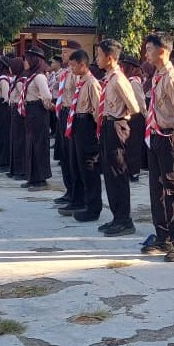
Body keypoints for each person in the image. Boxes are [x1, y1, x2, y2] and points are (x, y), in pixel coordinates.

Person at [140, 33, 174, 262]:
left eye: (149, 49)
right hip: (156, 136)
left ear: (162, 51)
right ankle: (163, 236)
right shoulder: (158, 76)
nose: (146, 54)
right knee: (157, 189)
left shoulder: (172, 79)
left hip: (170, 137)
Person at [96, 39, 141, 237]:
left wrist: (121, 117)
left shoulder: (119, 79)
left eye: (99, 55)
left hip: (117, 125)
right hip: (107, 124)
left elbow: (134, 106)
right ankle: (117, 217)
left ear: (110, 58)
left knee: (118, 173)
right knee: (109, 173)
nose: (97, 58)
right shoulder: (108, 78)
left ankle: (125, 220)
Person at [58, 49, 102, 222]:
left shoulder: (91, 83)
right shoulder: (81, 82)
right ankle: (78, 200)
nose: (71, 69)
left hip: (87, 125)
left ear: (83, 65)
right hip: (76, 122)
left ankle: (93, 207)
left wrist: (98, 133)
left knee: (89, 167)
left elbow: (98, 110)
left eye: (74, 65)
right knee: (76, 165)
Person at [53, 41, 82, 206]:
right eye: (62, 51)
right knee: (64, 155)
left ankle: (76, 193)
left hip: (73, 115)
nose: (62, 54)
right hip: (63, 114)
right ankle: (69, 190)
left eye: (66, 51)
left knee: (72, 157)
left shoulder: (77, 74)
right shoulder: (64, 73)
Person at [20, 48, 52, 189]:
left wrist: (45, 105)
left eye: (27, 60)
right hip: (31, 110)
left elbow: (47, 96)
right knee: (31, 144)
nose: (24, 62)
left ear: (34, 61)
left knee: (39, 144)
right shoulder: (31, 76)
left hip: (38, 111)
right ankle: (32, 177)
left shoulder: (39, 77)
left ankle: (40, 179)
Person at [120, 55, 147, 182]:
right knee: (131, 144)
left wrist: (146, 115)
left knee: (133, 144)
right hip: (131, 116)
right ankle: (130, 170)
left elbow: (140, 103)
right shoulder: (129, 81)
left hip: (135, 116)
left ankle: (133, 171)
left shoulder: (133, 82)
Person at [7, 57, 27, 179]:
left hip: (19, 111)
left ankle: (21, 170)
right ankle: (15, 169)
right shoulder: (17, 79)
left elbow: (23, 97)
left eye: (12, 66)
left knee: (19, 140)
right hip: (14, 110)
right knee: (14, 139)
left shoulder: (21, 81)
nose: (10, 68)